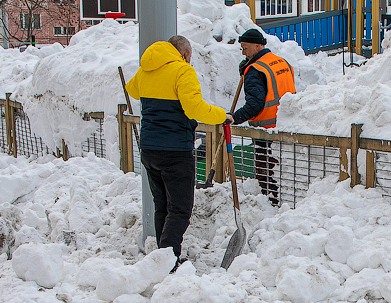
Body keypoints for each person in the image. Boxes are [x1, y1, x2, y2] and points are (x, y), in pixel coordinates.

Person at [125, 35, 227, 263]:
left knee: (162, 204)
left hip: (150, 149)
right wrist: (222, 116)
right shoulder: (182, 71)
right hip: (175, 151)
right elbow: (195, 109)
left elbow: (132, 89)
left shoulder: (146, 70)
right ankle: (168, 259)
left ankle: (163, 257)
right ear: (185, 54)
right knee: (180, 209)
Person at [229, 28, 296, 207]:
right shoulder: (281, 62)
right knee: (287, 172)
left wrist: (233, 118)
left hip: (266, 130)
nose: (243, 52)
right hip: (288, 124)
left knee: (266, 173)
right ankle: (284, 205)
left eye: (245, 48)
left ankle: (272, 206)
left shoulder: (255, 70)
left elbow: (254, 106)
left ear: (258, 45)